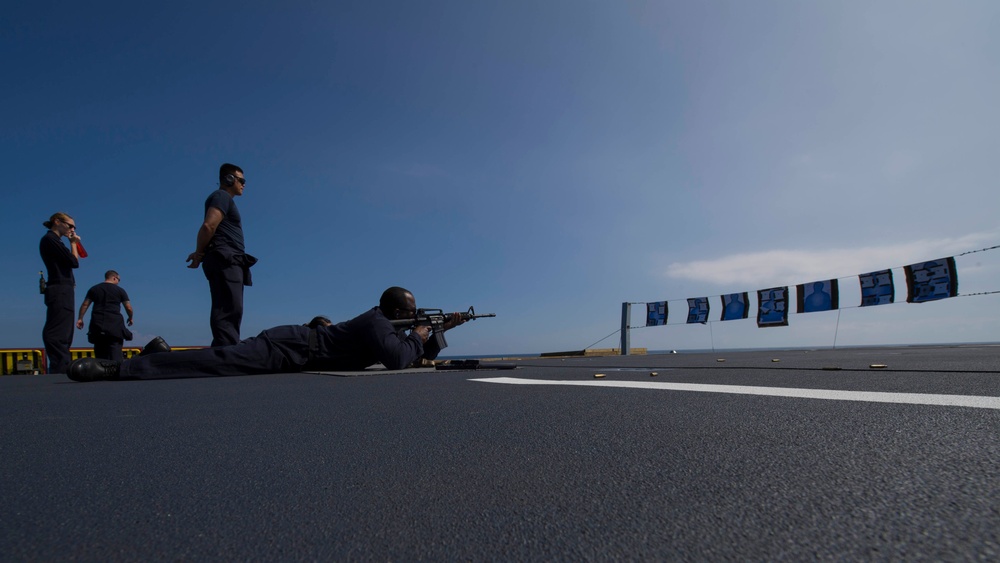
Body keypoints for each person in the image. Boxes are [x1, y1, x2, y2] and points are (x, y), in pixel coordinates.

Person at [66, 287, 466, 382]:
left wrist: (439, 330)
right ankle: (118, 368)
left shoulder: (386, 324)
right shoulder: (377, 320)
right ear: (397, 312)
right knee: (219, 363)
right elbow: (398, 358)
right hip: (288, 346)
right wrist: (418, 332)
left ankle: (159, 353)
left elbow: (408, 352)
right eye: (411, 314)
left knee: (217, 360)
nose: (415, 317)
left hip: (300, 350)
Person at [185, 163, 257, 347]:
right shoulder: (221, 196)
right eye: (241, 180)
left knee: (231, 306)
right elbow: (209, 226)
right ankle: (226, 351)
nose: (244, 184)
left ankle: (227, 347)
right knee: (228, 307)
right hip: (225, 258)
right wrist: (199, 253)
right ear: (229, 179)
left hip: (229, 259)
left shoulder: (224, 198)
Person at [40, 212, 82, 374]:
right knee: (59, 329)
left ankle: (62, 364)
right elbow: (73, 262)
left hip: (63, 288)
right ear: (57, 222)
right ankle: (60, 366)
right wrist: (73, 244)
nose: (72, 229)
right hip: (59, 288)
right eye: (70, 225)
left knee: (65, 329)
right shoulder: (50, 240)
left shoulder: (54, 241)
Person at [76, 270, 134, 362]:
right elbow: (129, 308)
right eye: (119, 280)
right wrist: (130, 318)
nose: (118, 282)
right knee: (115, 355)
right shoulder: (120, 291)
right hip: (114, 326)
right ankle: (116, 373)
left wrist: (80, 318)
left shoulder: (94, 289)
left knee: (99, 355)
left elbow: (85, 305)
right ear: (114, 278)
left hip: (97, 325)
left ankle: (101, 373)